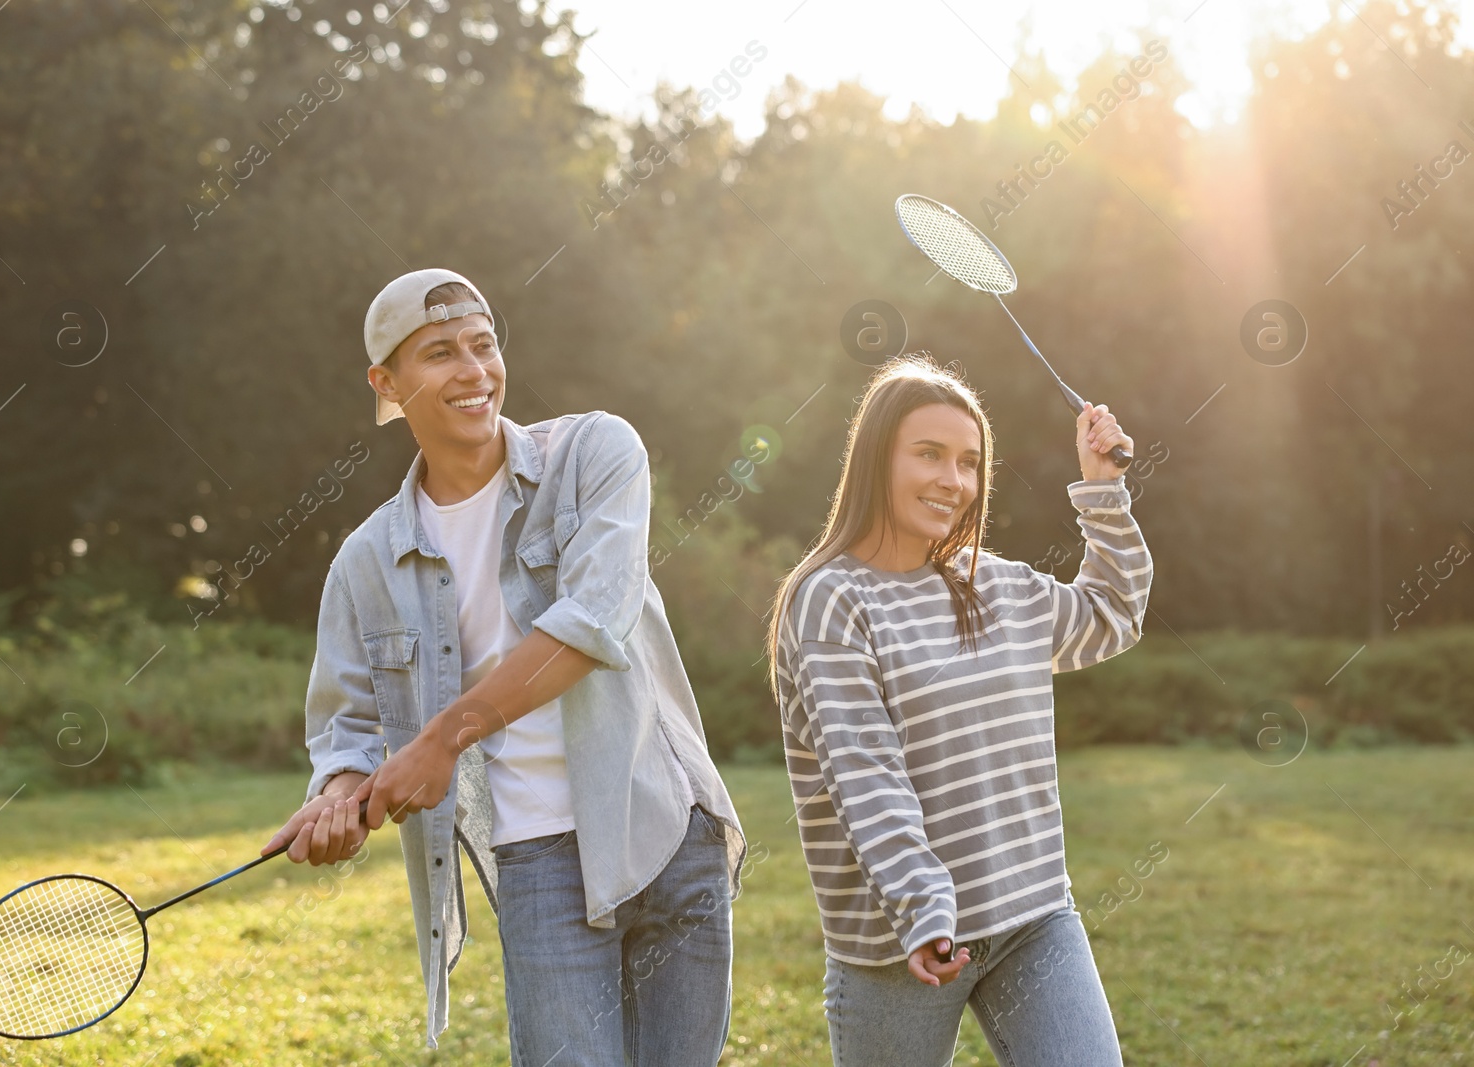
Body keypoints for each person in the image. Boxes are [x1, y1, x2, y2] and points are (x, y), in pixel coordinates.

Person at [262, 268, 746, 1063]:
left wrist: (443, 737)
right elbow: (345, 727)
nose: (474, 370)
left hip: (664, 826)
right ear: (386, 382)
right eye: (440, 352)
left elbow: (593, 619)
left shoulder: (594, 451)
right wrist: (338, 795)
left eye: (484, 345)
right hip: (538, 858)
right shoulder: (364, 562)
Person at [768, 356, 1152, 1066]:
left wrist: (1104, 489)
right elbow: (864, 770)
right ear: (877, 458)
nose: (954, 479)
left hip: (1033, 914)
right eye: (930, 454)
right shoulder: (830, 598)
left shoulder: (992, 583)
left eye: (970, 462)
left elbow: (1113, 613)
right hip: (900, 943)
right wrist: (923, 908)